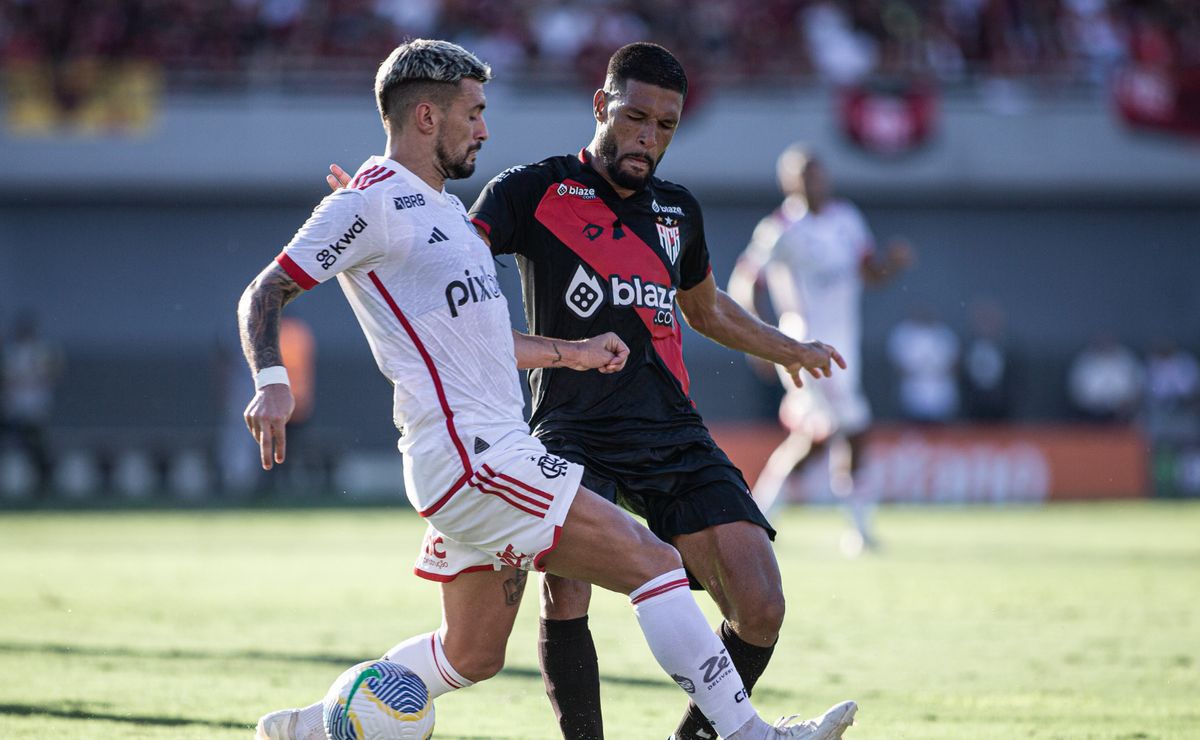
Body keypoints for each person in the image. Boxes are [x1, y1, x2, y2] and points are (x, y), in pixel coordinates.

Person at [247, 39, 856, 740]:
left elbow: (477, 335)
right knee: (652, 565)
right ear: (425, 117)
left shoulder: (439, 213)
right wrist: (272, 380)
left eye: (667, 125)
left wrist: (574, 350)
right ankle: (752, 736)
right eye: (474, 113)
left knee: (470, 654)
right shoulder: (401, 203)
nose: (485, 128)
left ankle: (307, 728)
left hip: (514, 447)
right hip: (485, 453)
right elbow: (271, 288)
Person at [728, 146, 913, 553]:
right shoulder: (780, 228)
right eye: (804, 175)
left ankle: (770, 519)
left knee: (830, 437)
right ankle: (846, 532)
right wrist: (758, 342)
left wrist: (892, 265)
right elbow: (744, 284)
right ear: (789, 182)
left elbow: (871, 273)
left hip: (844, 347)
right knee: (841, 430)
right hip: (803, 347)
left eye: (818, 173)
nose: (814, 181)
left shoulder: (847, 219)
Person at [886, 304, 960, 423]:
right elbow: (899, 368)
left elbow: (955, 366)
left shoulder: (944, 335)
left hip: (941, 397)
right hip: (913, 396)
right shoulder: (904, 334)